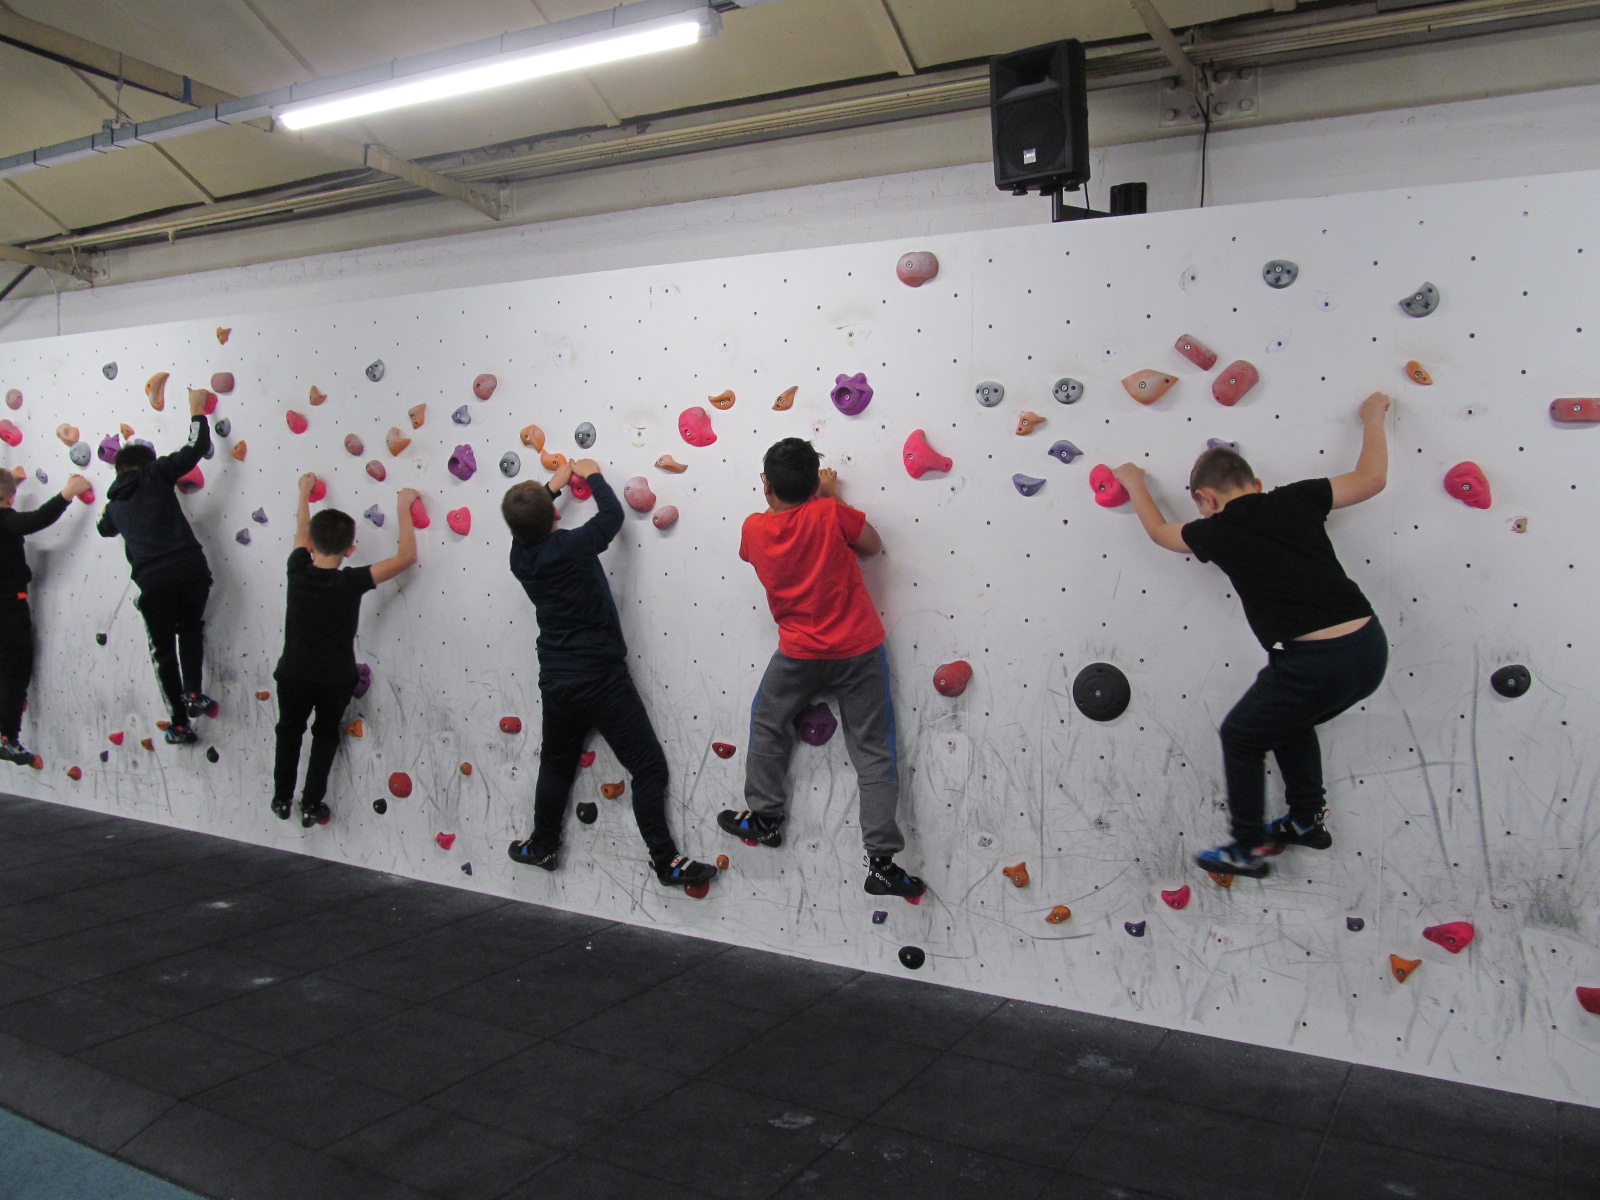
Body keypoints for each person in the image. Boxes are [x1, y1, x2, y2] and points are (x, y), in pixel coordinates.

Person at [1113, 392, 1391, 878]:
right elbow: (1372, 479)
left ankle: (1245, 847)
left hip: (1313, 662)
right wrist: (1372, 416)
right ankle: (1305, 821)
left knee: (1241, 736)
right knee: (1287, 722)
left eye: (1202, 506)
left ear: (1206, 500)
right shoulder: (1297, 498)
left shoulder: (1216, 530)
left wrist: (1134, 481)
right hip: (1369, 648)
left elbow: (1159, 532)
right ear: (1257, 484)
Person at [720, 437, 925, 900]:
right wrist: (830, 497)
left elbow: (764, 539)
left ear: (766, 485)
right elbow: (872, 545)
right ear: (816, 484)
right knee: (872, 749)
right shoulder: (831, 513)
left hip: (799, 654)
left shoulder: (753, 528)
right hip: (858, 649)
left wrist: (797, 499)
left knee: (768, 723)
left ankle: (765, 817)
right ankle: (882, 863)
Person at [500, 458, 716, 889]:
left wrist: (552, 487)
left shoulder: (519, 558)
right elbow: (613, 516)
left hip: (557, 680)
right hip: (602, 679)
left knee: (556, 766)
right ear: (555, 514)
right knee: (648, 767)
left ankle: (542, 845)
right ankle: (665, 860)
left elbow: (530, 523)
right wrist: (593, 474)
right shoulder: (572, 546)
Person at [271, 475, 419, 827]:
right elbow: (407, 557)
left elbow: (301, 528)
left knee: (289, 732)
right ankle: (311, 803)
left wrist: (303, 493)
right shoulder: (350, 581)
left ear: (311, 544)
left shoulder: (297, 569)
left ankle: (281, 798)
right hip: (334, 679)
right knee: (324, 736)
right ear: (350, 549)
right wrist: (403, 506)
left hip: (293, 673)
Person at [98, 387, 217, 744]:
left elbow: (104, 529)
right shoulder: (156, 473)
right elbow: (196, 447)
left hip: (153, 581)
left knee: (164, 653)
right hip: (190, 568)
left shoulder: (114, 505)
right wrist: (197, 411)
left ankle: (179, 724)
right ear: (148, 462)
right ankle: (193, 692)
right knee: (190, 627)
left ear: (118, 471)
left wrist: (116, 506)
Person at [0, 471, 94, 764]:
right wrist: (68, 492)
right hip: (7, 609)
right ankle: (7, 738)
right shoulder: (5, 519)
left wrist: (10, 486)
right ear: (11, 499)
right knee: (14, 674)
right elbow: (33, 521)